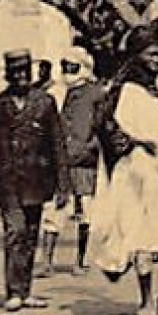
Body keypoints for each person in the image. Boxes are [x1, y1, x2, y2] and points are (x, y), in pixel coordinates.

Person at [90, 27, 158, 315]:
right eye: (150, 54)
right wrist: (141, 143)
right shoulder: (128, 90)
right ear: (138, 55)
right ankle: (147, 300)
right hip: (138, 170)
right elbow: (118, 129)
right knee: (142, 232)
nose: (156, 59)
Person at [0, 49, 70, 312]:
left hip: (37, 180)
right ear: (8, 75)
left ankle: (26, 289)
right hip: (7, 181)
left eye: (24, 71)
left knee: (31, 235)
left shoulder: (45, 102)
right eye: (15, 72)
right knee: (15, 232)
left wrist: (63, 183)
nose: (20, 77)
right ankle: (13, 291)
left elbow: (57, 144)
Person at [40, 46, 106, 274]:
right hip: (60, 161)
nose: (68, 71)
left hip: (85, 162)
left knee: (86, 212)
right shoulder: (57, 92)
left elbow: (103, 126)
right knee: (54, 211)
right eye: (65, 66)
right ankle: (46, 262)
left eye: (72, 66)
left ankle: (81, 260)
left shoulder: (97, 93)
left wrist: (91, 147)